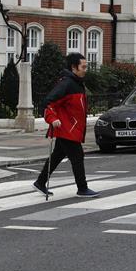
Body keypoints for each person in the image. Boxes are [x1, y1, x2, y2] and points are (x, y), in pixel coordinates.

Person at [33, 52, 100, 198]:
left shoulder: (76, 82)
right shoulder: (67, 83)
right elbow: (48, 103)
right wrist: (52, 118)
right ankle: (82, 188)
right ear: (74, 67)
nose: (85, 69)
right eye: (83, 66)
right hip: (66, 129)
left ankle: (40, 182)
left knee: (57, 155)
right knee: (77, 156)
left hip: (70, 128)